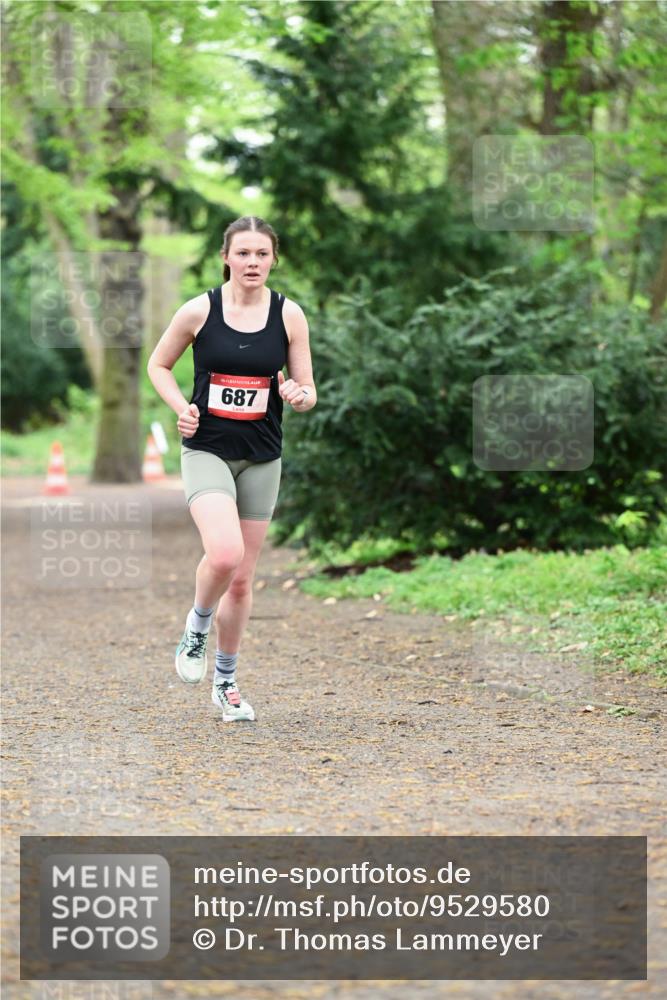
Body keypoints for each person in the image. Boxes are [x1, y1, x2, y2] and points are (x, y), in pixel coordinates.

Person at [147, 216, 316, 721]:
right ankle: (196, 626)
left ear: (274, 259)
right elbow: (158, 365)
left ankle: (226, 684)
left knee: (241, 581)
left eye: (262, 254)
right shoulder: (199, 310)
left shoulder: (289, 315)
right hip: (207, 450)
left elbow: (307, 389)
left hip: (262, 456)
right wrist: (180, 407)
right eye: (243, 253)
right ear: (226, 257)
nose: (252, 262)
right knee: (224, 554)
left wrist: (298, 395)